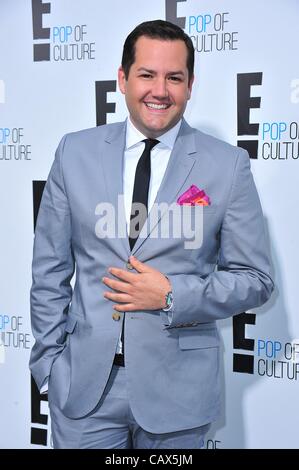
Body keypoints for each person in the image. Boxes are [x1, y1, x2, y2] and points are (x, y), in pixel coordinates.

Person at [29, 19, 274, 449]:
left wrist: (170, 295)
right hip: (85, 392)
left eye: (173, 77)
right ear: (122, 79)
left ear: (190, 84)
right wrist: (49, 365)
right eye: (146, 74)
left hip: (179, 397)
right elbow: (49, 268)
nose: (159, 90)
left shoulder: (227, 165)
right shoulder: (74, 152)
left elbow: (255, 280)